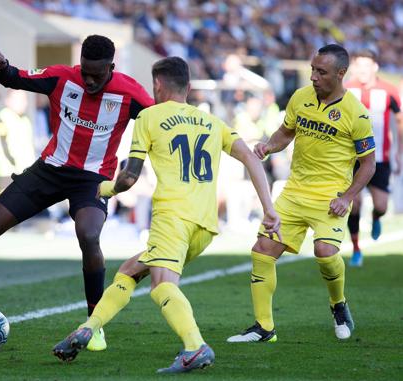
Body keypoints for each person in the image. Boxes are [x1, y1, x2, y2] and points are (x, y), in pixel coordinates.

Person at [0, 35, 154, 353]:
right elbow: (17, 78)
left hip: (92, 179)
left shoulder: (130, 92)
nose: (90, 80)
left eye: (97, 74)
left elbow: (157, 123)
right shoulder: (61, 77)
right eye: (85, 72)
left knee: (88, 235)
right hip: (48, 171)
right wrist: (2, 69)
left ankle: (94, 324)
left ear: (111, 66)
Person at [52, 57, 280, 373]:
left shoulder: (149, 117)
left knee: (161, 285)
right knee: (131, 270)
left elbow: (129, 177)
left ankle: (194, 346)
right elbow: (252, 160)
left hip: (171, 216)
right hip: (204, 225)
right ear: (187, 86)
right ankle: (88, 328)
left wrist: (105, 191)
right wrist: (269, 209)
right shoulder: (213, 122)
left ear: (157, 85)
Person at [227, 44, 376, 343]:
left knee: (325, 253)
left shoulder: (357, 114)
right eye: (312, 69)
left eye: (321, 72)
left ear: (340, 74)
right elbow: (286, 131)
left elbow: (368, 164)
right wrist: (269, 145)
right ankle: (264, 327)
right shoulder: (300, 97)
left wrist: (346, 197)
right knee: (262, 251)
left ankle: (338, 304)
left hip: (329, 197)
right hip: (294, 192)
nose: (313, 77)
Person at [345, 49, 403, 267]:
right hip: (352, 158)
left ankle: (377, 218)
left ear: (374, 67)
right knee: (355, 204)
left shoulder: (388, 91)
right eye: (358, 66)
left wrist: (398, 151)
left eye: (365, 66)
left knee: (381, 206)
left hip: (380, 158)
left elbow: (399, 120)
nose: (361, 70)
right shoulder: (346, 90)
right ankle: (356, 249)